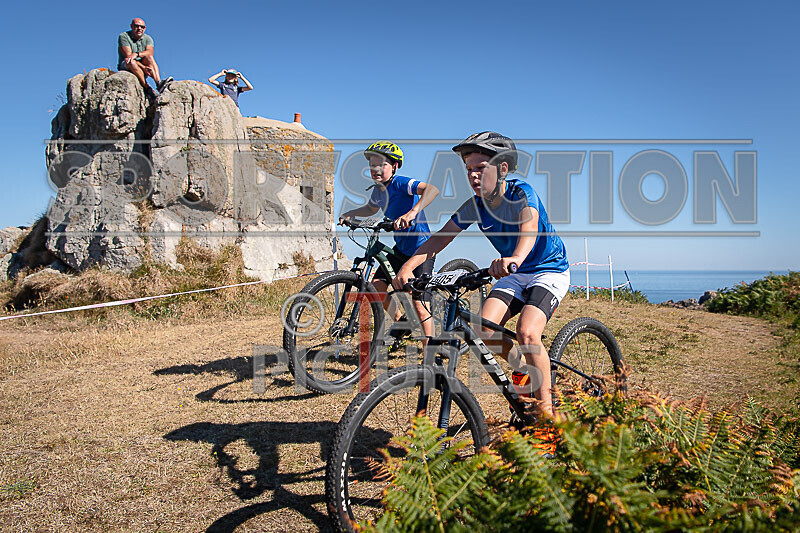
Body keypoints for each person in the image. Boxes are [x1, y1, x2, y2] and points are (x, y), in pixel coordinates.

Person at [393, 132, 570, 454]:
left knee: (528, 332)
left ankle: (547, 418)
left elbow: (529, 227)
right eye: (468, 169)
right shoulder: (475, 206)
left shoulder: (521, 193)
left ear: (502, 169)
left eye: (481, 167)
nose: (473, 175)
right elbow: (441, 238)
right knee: (483, 329)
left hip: (547, 269)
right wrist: (408, 266)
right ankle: (525, 370)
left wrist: (516, 257)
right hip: (513, 272)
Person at [339, 141, 440, 351]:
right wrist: (351, 213)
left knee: (419, 305)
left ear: (394, 166)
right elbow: (370, 208)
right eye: (372, 165)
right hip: (402, 249)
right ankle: (402, 323)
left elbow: (432, 190)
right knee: (377, 287)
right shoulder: (378, 191)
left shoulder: (401, 183)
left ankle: (431, 354)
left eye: (381, 165)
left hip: (421, 250)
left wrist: (411, 213)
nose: (375, 169)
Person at [118, 18, 172, 99]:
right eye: (137, 26)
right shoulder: (124, 36)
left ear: (145, 28)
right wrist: (143, 67)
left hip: (142, 65)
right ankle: (147, 88)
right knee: (132, 62)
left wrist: (137, 54)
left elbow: (150, 52)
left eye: (142, 27)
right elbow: (129, 57)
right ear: (131, 26)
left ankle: (158, 83)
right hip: (127, 65)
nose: (139, 28)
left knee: (149, 57)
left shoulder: (148, 38)